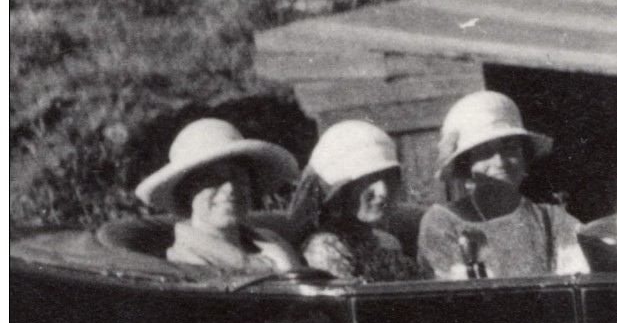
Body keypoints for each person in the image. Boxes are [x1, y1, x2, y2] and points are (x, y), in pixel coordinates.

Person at [417, 91, 589, 280]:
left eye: (510, 148)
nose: (500, 161)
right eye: (485, 151)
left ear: (525, 155)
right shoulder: (443, 222)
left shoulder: (551, 219)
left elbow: (576, 279)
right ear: (466, 164)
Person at [135, 118, 302, 274]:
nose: (230, 188)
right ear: (186, 191)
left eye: (238, 177)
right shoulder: (187, 262)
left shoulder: (269, 241)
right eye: (213, 179)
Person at [288, 120, 431, 282]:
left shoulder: (387, 243)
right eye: (369, 180)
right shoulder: (325, 248)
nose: (382, 192)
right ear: (342, 190)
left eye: (389, 178)